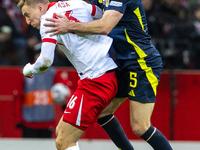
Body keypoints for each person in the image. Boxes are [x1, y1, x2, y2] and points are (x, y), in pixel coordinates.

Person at [43, 0, 173, 149]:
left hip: (142, 62)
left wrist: (69, 26)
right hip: (123, 62)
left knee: (140, 126)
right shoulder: (99, 0)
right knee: (102, 112)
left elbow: (104, 26)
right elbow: (84, 14)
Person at [17, 0, 121, 149]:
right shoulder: (76, 3)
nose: (27, 20)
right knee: (61, 133)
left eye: (28, 14)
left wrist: (28, 69)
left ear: (40, 7)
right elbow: (103, 15)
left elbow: (45, 61)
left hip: (96, 79)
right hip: (101, 74)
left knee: (63, 141)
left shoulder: (48, 19)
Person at [15, 43, 71, 138]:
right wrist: (18, 119)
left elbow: (63, 89)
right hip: (29, 122)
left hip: (47, 121)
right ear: (34, 55)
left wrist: (65, 103)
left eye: (43, 54)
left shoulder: (53, 73)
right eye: (38, 54)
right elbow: (18, 98)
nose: (40, 57)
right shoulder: (25, 73)